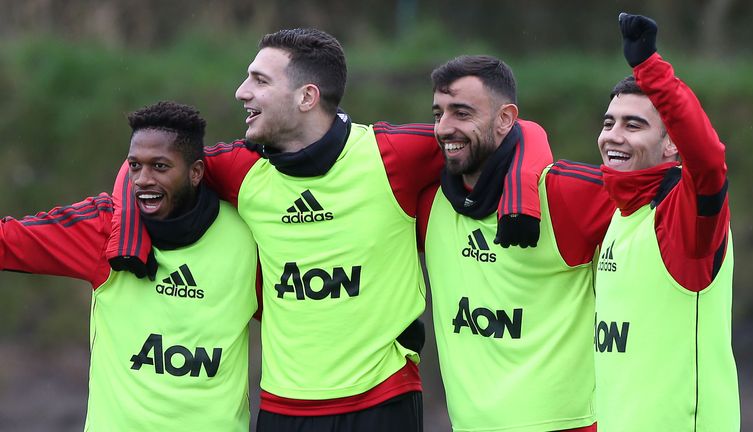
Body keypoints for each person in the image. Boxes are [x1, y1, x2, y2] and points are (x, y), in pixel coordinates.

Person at [108, 29, 552, 431]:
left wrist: (521, 201)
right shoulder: (242, 170)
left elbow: (520, 132)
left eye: (260, 80)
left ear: (306, 97)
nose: (242, 91)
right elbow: (152, 165)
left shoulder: (391, 155)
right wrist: (126, 234)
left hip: (385, 400)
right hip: (284, 407)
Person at [0, 101, 258, 431]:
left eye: (160, 167)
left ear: (195, 173)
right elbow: (7, 242)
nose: (143, 180)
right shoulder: (104, 230)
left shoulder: (245, 238)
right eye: (135, 166)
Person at [423, 55, 614, 431]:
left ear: (506, 119)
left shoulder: (562, 194)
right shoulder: (428, 199)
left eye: (461, 113)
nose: (444, 128)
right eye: (438, 113)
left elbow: (662, 203)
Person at [593, 13, 739, 431]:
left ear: (672, 142)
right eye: (608, 123)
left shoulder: (682, 217)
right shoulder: (621, 215)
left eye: (633, 125)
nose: (613, 135)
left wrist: (650, 68)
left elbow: (709, 162)